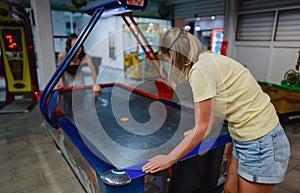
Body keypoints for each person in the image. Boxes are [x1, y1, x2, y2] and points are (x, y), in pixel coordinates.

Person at [142, 28, 290, 193]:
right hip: (244, 138)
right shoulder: (208, 59)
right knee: (229, 188)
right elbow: (219, 110)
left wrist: (169, 158)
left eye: (168, 61)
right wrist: (195, 131)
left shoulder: (200, 71)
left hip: (261, 142)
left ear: (175, 58)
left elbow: (202, 127)